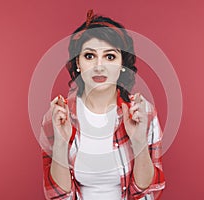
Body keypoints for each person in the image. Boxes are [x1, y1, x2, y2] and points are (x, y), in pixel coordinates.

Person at [39, 9, 165, 200]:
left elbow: (148, 193)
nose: (99, 65)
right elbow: (58, 196)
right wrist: (61, 143)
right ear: (78, 63)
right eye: (89, 56)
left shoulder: (142, 113)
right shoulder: (58, 116)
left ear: (122, 64)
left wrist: (139, 141)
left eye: (110, 56)